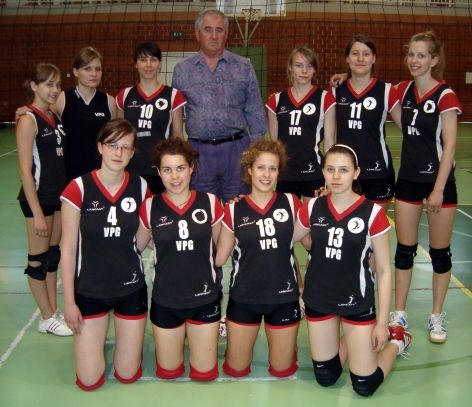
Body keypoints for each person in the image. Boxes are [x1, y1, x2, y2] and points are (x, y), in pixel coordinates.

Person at [294, 144, 412, 396]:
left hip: (357, 301)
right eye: (330, 169)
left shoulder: (373, 213)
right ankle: (353, 340)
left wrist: (382, 323)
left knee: (364, 385)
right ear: (323, 172)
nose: (336, 176)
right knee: (326, 377)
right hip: (320, 298)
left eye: (344, 170)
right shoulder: (313, 207)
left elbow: (384, 270)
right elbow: (286, 237)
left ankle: (397, 341)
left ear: (356, 173)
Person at [60, 119, 151, 390]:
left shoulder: (141, 187)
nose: (118, 153)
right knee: (89, 380)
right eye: (112, 145)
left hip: (130, 288)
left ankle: (123, 351)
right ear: (100, 147)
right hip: (90, 290)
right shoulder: (78, 188)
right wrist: (69, 302)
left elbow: (143, 241)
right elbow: (68, 249)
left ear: (132, 153)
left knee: (127, 374)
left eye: (126, 147)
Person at [390, 32, 462, 343]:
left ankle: (436, 315)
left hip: (439, 183)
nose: (414, 60)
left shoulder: (445, 95)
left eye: (421, 55)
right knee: (404, 251)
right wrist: (342, 78)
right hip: (408, 180)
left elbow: (450, 146)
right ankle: (399, 313)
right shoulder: (402, 90)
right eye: (411, 54)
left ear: (434, 60)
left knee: (439, 253)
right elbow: (371, 89)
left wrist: (438, 189)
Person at [138, 138, 223, 381]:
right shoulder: (150, 207)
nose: (175, 176)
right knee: (169, 373)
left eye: (180, 168)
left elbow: (218, 246)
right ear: (158, 172)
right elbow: (139, 245)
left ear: (191, 168)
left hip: (204, 298)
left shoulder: (210, 202)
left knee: (204, 374)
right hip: (166, 300)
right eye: (167, 169)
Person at [216, 140, 301, 378]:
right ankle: (228, 329)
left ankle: (289, 346)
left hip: (284, 297)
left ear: (278, 172)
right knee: (236, 370)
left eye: (272, 168)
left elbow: (312, 244)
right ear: (250, 170)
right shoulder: (234, 209)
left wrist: (325, 203)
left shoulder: (291, 203)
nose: (266, 174)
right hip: (245, 297)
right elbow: (219, 258)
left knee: (282, 371)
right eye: (261, 167)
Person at [172, 9, 267, 203]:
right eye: (208, 30)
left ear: (226, 34)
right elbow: (175, 114)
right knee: (203, 210)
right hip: (199, 154)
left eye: (219, 30)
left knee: (239, 210)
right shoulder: (182, 70)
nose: (214, 36)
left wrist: (253, 152)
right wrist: (181, 150)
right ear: (197, 34)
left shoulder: (243, 67)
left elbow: (256, 112)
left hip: (237, 152)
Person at [16, 63, 72, 336]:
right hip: (37, 199)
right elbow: (25, 171)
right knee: (37, 260)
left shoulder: (54, 115)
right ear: (34, 85)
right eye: (48, 84)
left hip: (57, 196)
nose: (54, 89)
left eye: (58, 84)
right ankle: (46, 317)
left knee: (52, 256)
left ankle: (52, 309)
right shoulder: (28, 120)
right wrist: (37, 212)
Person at [16, 47, 116, 182]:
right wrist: (28, 109)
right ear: (75, 71)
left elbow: (115, 138)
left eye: (98, 69)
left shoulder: (109, 102)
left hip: (100, 176)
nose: (94, 74)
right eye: (87, 69)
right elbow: (41, 113)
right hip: (69, 176)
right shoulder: (62, 99)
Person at [331, 35, 401, 208]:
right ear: (347, 58)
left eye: (366, 54)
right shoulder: (336, 91)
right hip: (344, 173)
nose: (360, 59)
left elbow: (409, 128)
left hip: (378, 173)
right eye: (355, 53)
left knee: (376, 224)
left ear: (374, 58)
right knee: (345, 223)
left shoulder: (386, 91)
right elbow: (328, 135)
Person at [117, 41, 186, 194]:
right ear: (135, 64)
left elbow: (178, 135)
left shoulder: (173, 95)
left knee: (160, 208)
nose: (148, 65)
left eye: (153, 59)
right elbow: (119, 135)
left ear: (160, 64)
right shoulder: (125, 95)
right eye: (143, 59)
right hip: (131, 167)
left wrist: (181, 166)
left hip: (160, 167)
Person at [267, 45, 335, 200]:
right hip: (286, 174)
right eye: (299, 65)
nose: (304, 71)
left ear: (315, 69)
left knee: (313, 215)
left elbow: (329, 142)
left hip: (314, 172)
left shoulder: (325, 98)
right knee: (287, 215)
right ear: (290, 67)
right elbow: (274, 145)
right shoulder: (275, 100)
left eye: (309, 66)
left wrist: (331, 175)